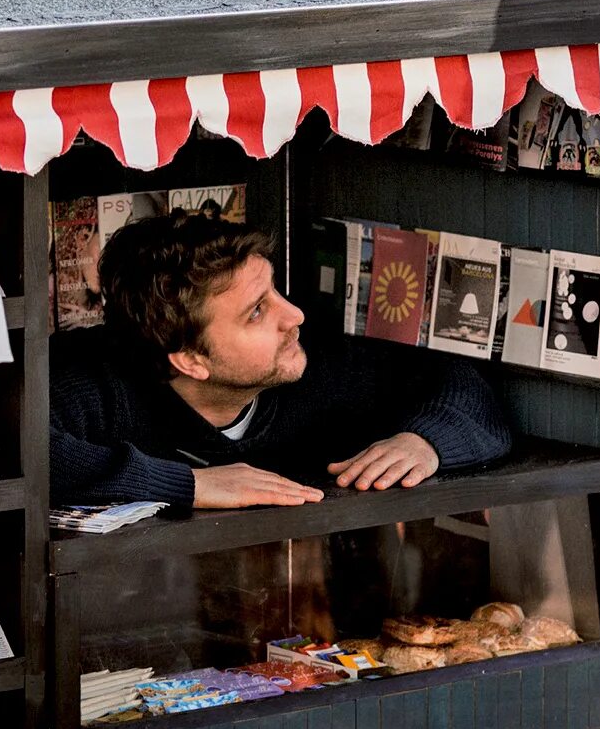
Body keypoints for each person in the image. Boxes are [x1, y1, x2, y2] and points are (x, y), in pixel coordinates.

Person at [50, 214, 514, 510]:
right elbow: (21, 454)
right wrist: (189, 485)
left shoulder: (312, 363)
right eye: (257, 311)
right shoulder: (90, 381)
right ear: (190, 360)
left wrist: (425, 441)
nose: (294, 315)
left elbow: (460, 384)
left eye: (273, 291)